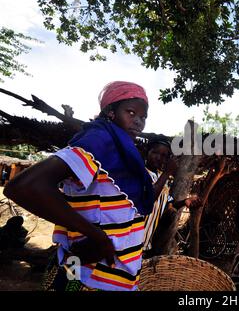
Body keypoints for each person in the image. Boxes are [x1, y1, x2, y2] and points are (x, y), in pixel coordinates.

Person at [4, 81, 154, 291]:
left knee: (68, 281)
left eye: (143, 117)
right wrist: (97, 236)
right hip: (90, 276)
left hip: (107, 272)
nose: (138, 122)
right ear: (110, 112)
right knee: (69, 286)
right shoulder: (99, 140)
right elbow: (23, 187)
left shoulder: (120, 150)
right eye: (131, 112)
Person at [142, 137, 201, 257]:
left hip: (145, 240)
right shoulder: (141, 173)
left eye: (164, 155)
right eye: (155, 152)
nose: (159, 158)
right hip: (130, 238)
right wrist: (168, 172)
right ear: (146, 152)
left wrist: (186, 201)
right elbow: (149, 197)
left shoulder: (160, 177)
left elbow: (168, 203)